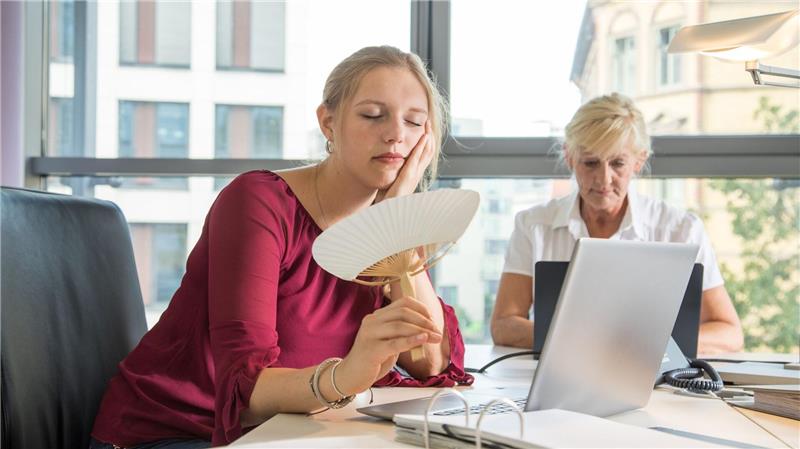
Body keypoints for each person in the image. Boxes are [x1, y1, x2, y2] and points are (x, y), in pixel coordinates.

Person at [90, 46, 473, 449]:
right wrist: (346, 375)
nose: (397, 134)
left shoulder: (389, 224)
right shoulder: (258, 202)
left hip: (292, 431)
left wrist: (396, 218)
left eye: (414, 122)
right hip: (175, 430)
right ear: (328, 123)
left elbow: (430, 362)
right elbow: (242, 396)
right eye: (372, 115)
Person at [490, 93, 744, 356]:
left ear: (639, 161)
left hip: (651, 376)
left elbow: (729, 333)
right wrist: (590, 341)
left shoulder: (681, 229)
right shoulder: (533, 225)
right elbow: (503, 325)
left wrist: (647, 344)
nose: (604, 179)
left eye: (618, 163)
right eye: (590, 163)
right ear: (569, 157)